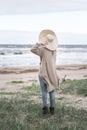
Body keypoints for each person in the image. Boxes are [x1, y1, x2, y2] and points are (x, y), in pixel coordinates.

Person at [31, 29, 59, 115]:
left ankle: (45, 110)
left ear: (45, 40)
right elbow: (52, 62)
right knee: (52, 91)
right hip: (52, 73)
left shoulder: (43, 49)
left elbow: (32, 50)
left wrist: (39, 44)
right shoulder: (55, 51)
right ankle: (52, 110)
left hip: (43, 73)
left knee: (43, 91)